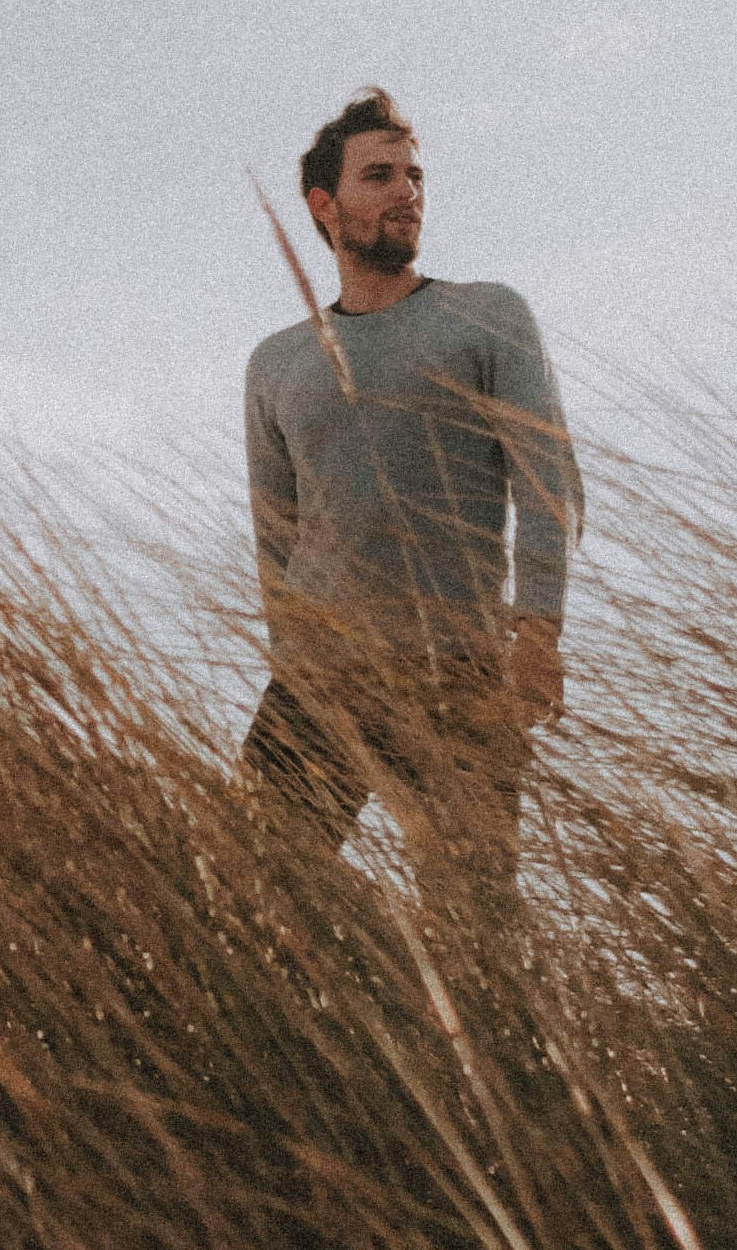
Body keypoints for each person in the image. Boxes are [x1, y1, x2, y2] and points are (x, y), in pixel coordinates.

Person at [238, 87, 581, 950]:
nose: (407, 192)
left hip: (457, 672)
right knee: (249, 890)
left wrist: (536, 632)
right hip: (321, 680)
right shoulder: (278, 362)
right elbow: (275, 536)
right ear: (326, 206)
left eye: (415, 175)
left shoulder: (486, 314)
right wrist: (293, 664)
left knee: (474, 928)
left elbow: (547, 480)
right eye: (380, 175)